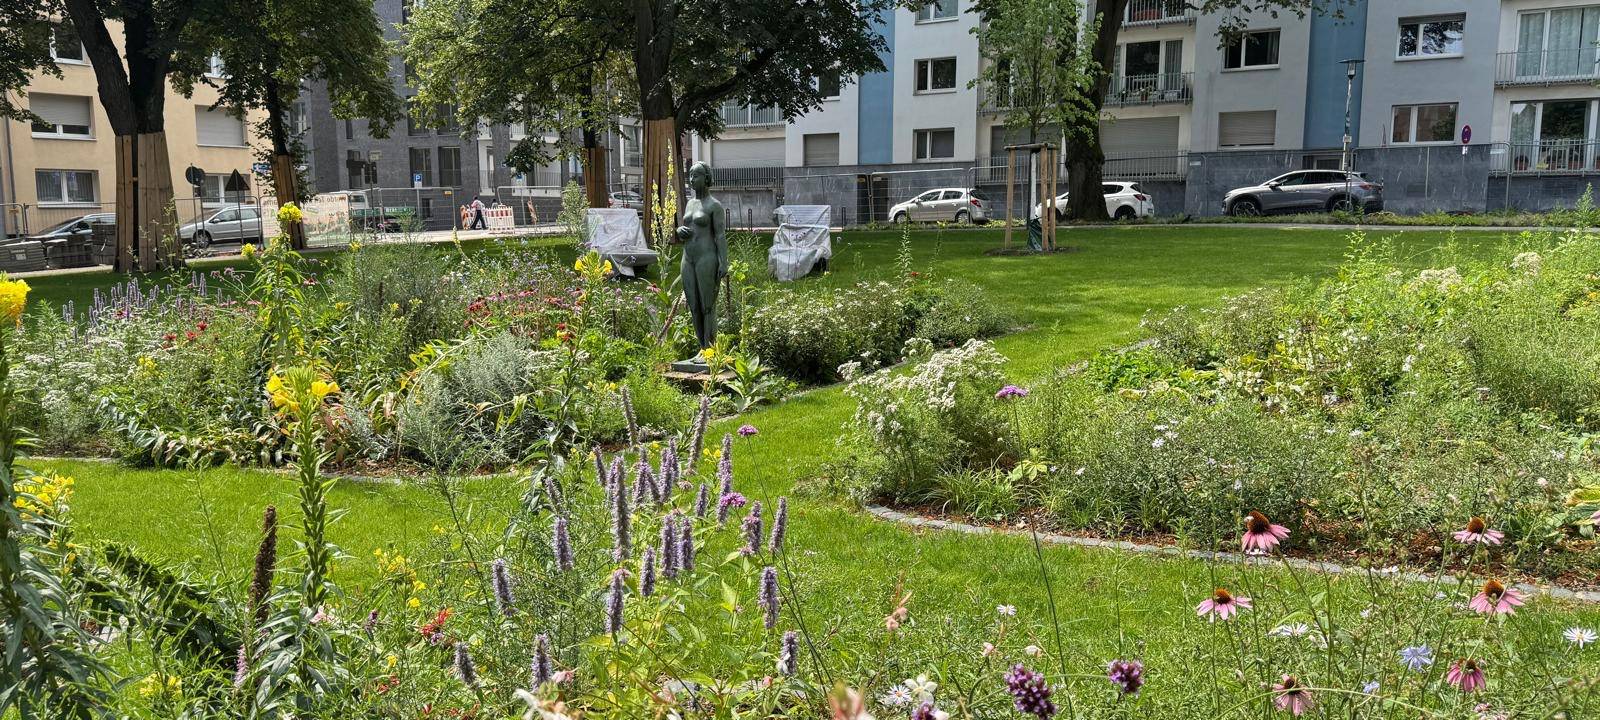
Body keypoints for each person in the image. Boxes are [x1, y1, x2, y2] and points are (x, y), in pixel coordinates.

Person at [673, 162, 727, 355]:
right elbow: (687, 228)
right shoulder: (690, 203)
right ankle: (702, 350)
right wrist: (679, 230)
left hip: (707, 258)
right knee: (693, 305)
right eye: (690, 175)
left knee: (707, 305)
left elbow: (720, 235)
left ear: (706, 178)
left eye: (696, 175)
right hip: (688, 258)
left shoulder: (714, 206)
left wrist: (723, 262)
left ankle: (710, 349)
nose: (691, 179)